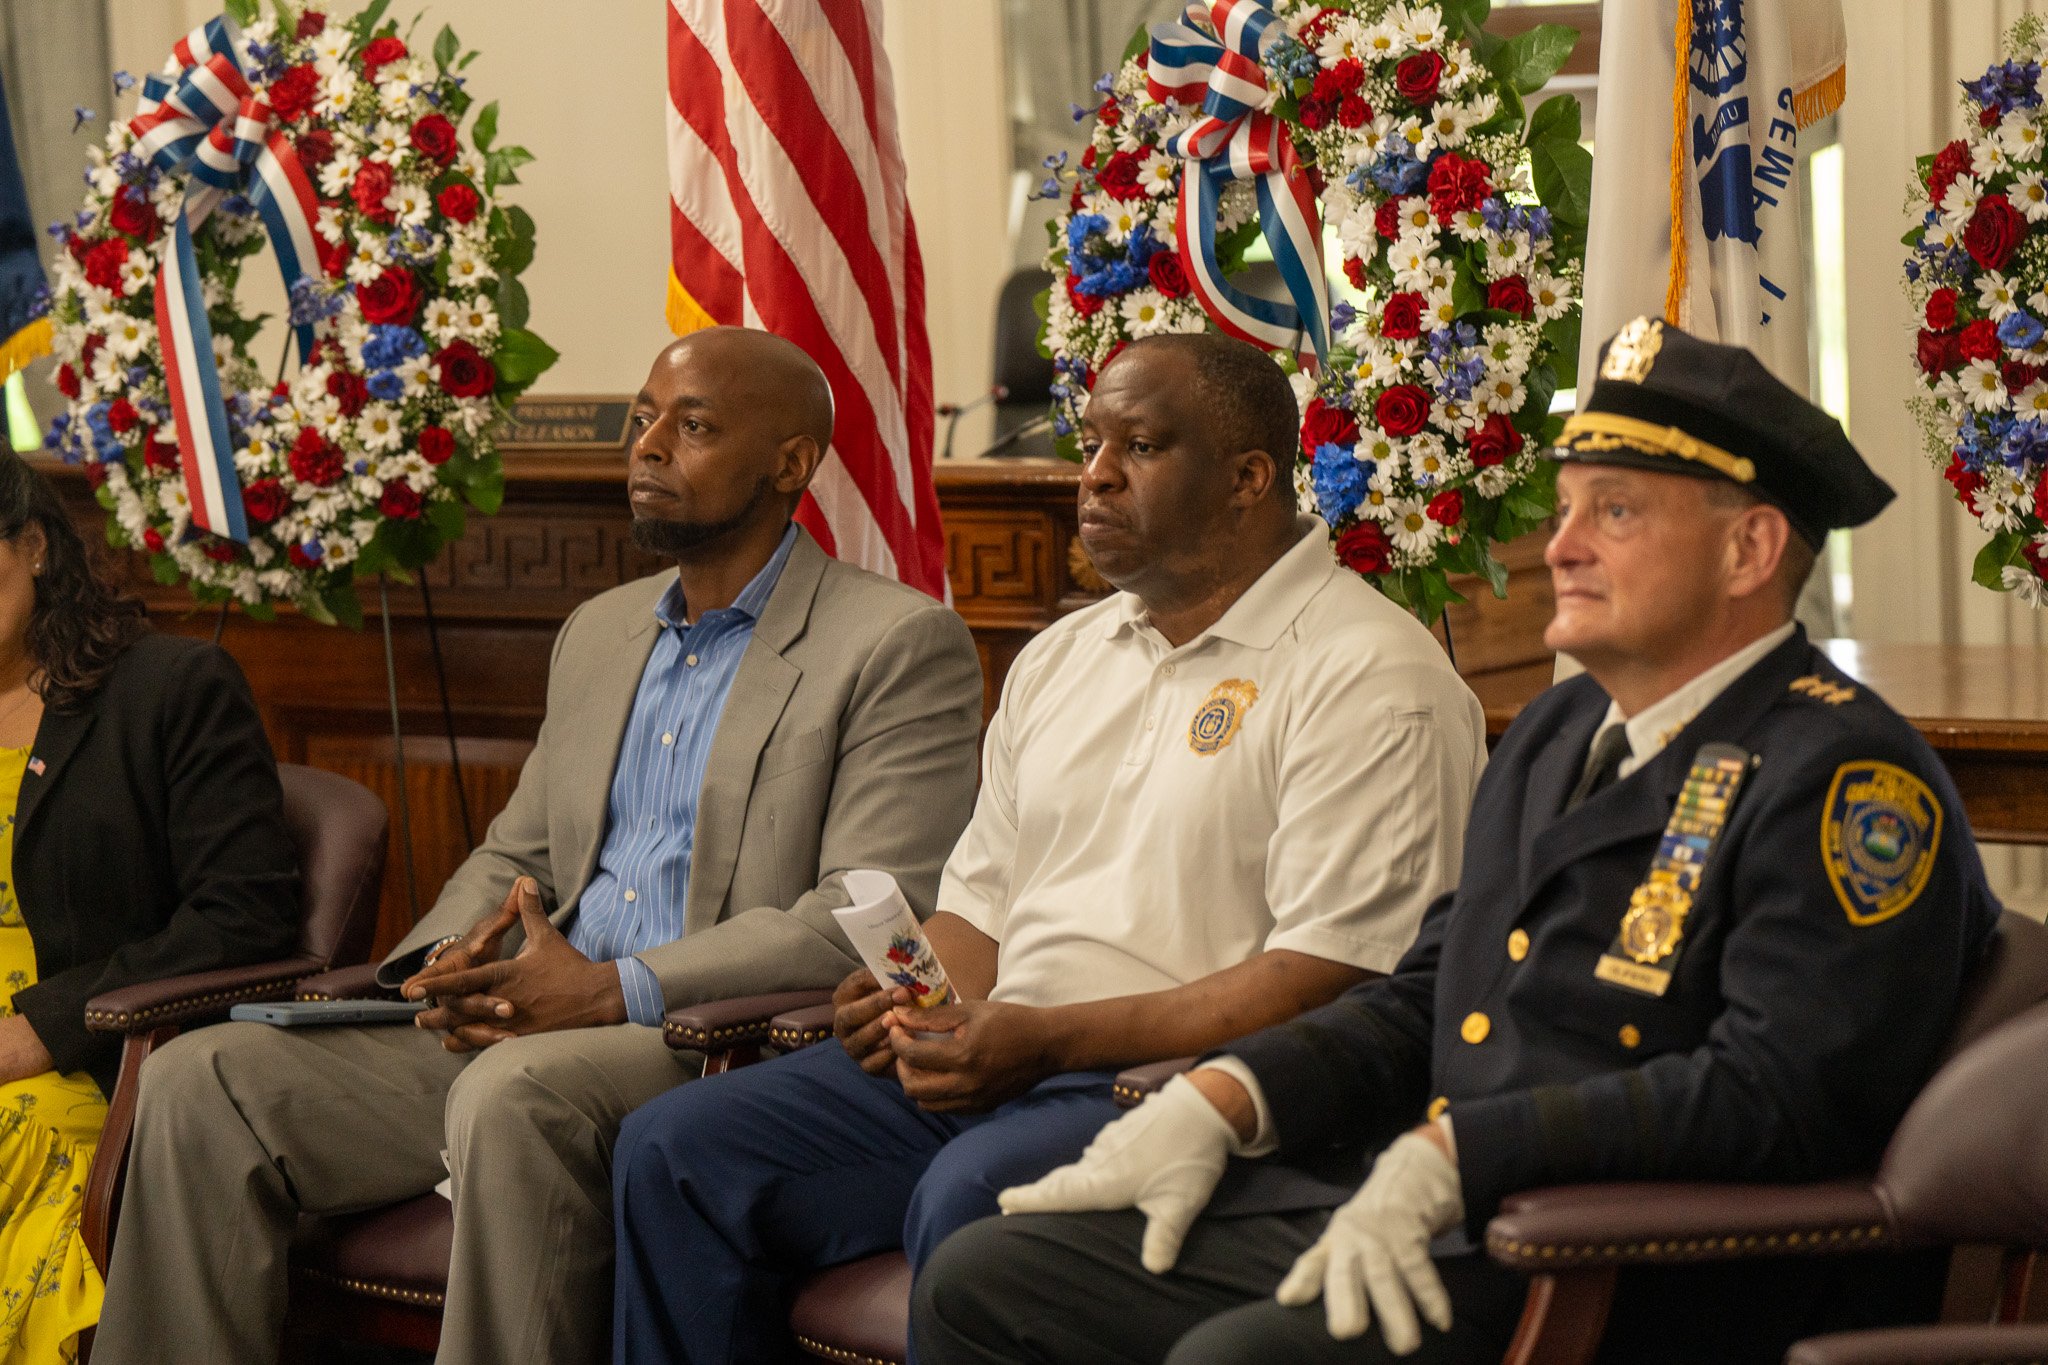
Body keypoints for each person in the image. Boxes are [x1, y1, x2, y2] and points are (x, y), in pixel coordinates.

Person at [912, 319, 2007, 1365]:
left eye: (1612, 514)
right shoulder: (1557, 730)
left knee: (1237, 1356)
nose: (1561, 546)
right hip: (1445, 1203)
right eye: (1567, 508)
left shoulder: (1841, 776)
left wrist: (1461, 1154)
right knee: (989, 1281)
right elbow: (1429, 985)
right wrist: (1231, 1095)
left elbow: (1771, 1095)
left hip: (1637, 1258)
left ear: (1747, 549)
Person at [93, 328, 986, 1365]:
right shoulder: (600, 631)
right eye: (641, 416)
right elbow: (518, 852)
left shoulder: (892, 642)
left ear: (792, 465)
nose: (646, 446)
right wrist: (448, 961)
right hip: (526, 1012)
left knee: (509, 1096)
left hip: (695, 1041)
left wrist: (614, 988)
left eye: (690, 427)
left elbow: (860, 911)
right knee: (200, 1080)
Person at [608, 331, 1488, 1363]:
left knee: (977, 1197)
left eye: (1140, 448)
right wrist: (914, 997)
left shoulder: (1370, 673)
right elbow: (980, 906)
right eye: (1090, 444)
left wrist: (1044, 1039)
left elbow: (1332, 977)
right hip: (1007, 1057)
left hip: (1184, 1089)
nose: (1095, 477)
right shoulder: (1064, 655)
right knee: (675, 1149)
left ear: (1249, 478)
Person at [0, 451, 299, 1363]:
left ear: (36, 547)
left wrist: (40, 1029)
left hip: (81, 1053)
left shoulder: (168, 689)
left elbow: (244, 917)